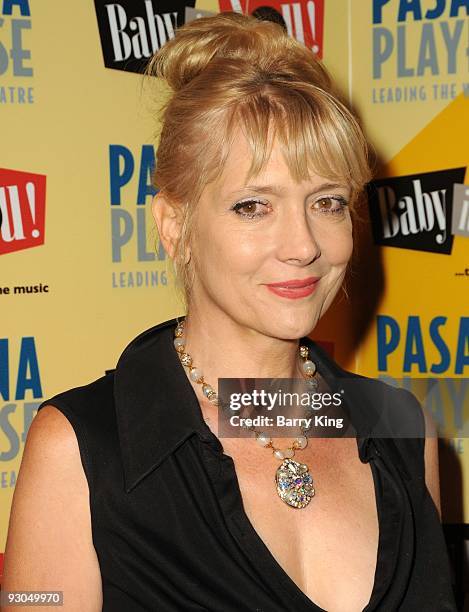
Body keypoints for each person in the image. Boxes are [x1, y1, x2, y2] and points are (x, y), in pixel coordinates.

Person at [2, 12, 456, 612]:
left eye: (326, 202)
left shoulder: (401, 427)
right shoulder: (84, 448)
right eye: (253, 206)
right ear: (175, 225)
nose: (303, 244)